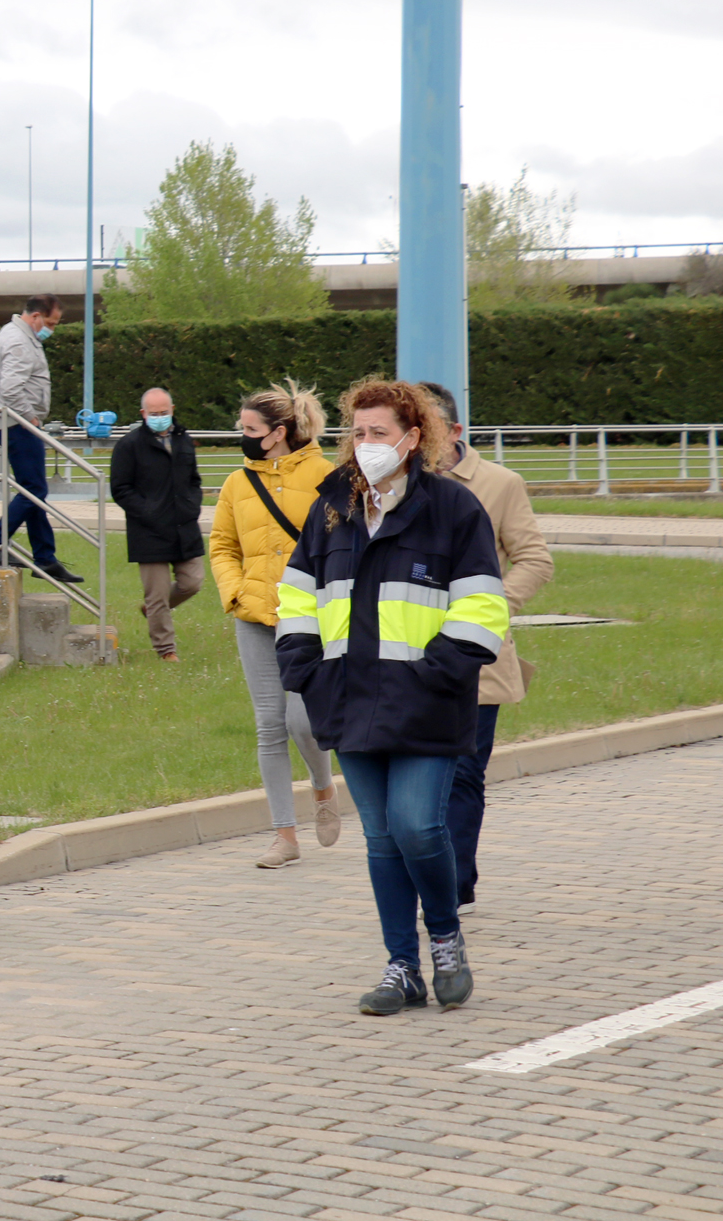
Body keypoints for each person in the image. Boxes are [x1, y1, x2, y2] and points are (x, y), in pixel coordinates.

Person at [277, 378, 509, 1015]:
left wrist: (436, 672)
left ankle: (445, 938)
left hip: (428, 702)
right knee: (381, 839)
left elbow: (483, 609)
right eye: (358, 432)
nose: (366, 443)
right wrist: (305, 668)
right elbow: (296, 595)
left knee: (418, 827)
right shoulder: (332, 508)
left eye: (379, 432)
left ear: (413, 438)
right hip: (348, 700)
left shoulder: (453, 509)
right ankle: (401, 966)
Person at [419, 381, 553, 915]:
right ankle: (424, 876)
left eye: (428, 428)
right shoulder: (392, 484)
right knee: (417, 772)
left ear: (454, 430)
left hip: (476, 657)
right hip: (405, 653)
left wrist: (490, 608)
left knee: (462, 772)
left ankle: (454, 888)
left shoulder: (500, 484)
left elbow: (535, 560)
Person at [209, 380, 341, 868]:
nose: (241, 436)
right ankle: (284, 836)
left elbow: (344, 544)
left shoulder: (327, 476)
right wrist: (236, 591)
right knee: (268, 725)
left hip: (309, 618)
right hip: (254, 617)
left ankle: (324, 788)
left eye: (249, 429)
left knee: (301, 722)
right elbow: (222, 545)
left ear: (278, 432)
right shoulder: (236, 483)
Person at [0, 294, 83, 584]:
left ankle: (45, 556)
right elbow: (11, 389)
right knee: (34, 489)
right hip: (19, 424)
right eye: (51, 323)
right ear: (36, 316)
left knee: (33, 490)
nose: (52, 329)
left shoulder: (18, 335)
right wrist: (32, 418)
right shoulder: (18, 341)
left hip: (16, 423)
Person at [110, 387, 205, 660]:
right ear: (143, 414)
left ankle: (153, 610)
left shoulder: (183, 440)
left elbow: (194, 480)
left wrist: (192, 506)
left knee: (193, 583)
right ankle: (166, 650)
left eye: (164, 412)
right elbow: (121, 488)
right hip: (148, 532)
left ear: (172, 410)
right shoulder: (129, 445)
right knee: (157, 594)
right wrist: (149, 512)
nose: (159, 417)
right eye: (154, 413)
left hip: (185, 527)